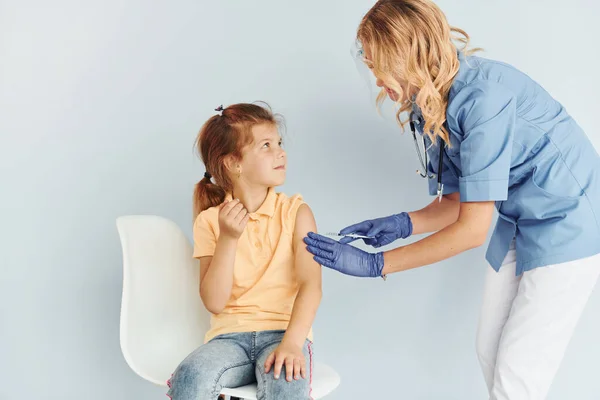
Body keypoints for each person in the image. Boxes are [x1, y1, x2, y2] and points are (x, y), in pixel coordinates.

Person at [303, 1, 600, 398]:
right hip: (520, 219)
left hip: (570, 219)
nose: (376, 80)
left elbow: (471, 230)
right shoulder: (430, 105)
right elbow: (456, 202)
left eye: (379, 65)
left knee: (518, 375)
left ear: (406, 55)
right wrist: (399, 223)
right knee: (489, 350)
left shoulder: (482, 100)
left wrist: (378, 265)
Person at [167, 102, 322, 400]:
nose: (280, 152)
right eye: (266, 146)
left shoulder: (297, 213)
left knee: (286, 385)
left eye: (279, 143)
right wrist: (228, 238)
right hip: (229, 339)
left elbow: (311, 286)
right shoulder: (210, 222)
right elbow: (214, 301)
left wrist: (291, 344)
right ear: (233, 163)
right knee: (189, 376)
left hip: (284, 333)